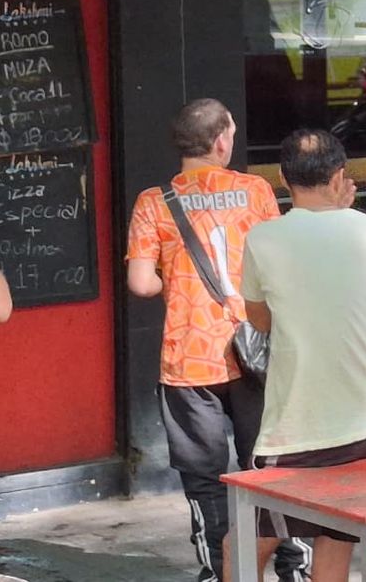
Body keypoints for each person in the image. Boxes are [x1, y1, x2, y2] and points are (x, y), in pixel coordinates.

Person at [236, 129, 366, 582]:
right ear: (341, 176)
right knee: (335, 546)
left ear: (283, 181)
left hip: (297, 435)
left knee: (241, 548)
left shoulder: (263, 240)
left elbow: (261, 322)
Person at [125, 99, 310, 582]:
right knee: (270, 470)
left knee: (205, 478)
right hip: (256, 351)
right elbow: (280, 265)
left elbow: (142, 284)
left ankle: (220, 570)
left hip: (189, 358)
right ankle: (293, 567)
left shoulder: (153, 202)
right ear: (222, 140)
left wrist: (180, 281)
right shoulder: (254, 191)